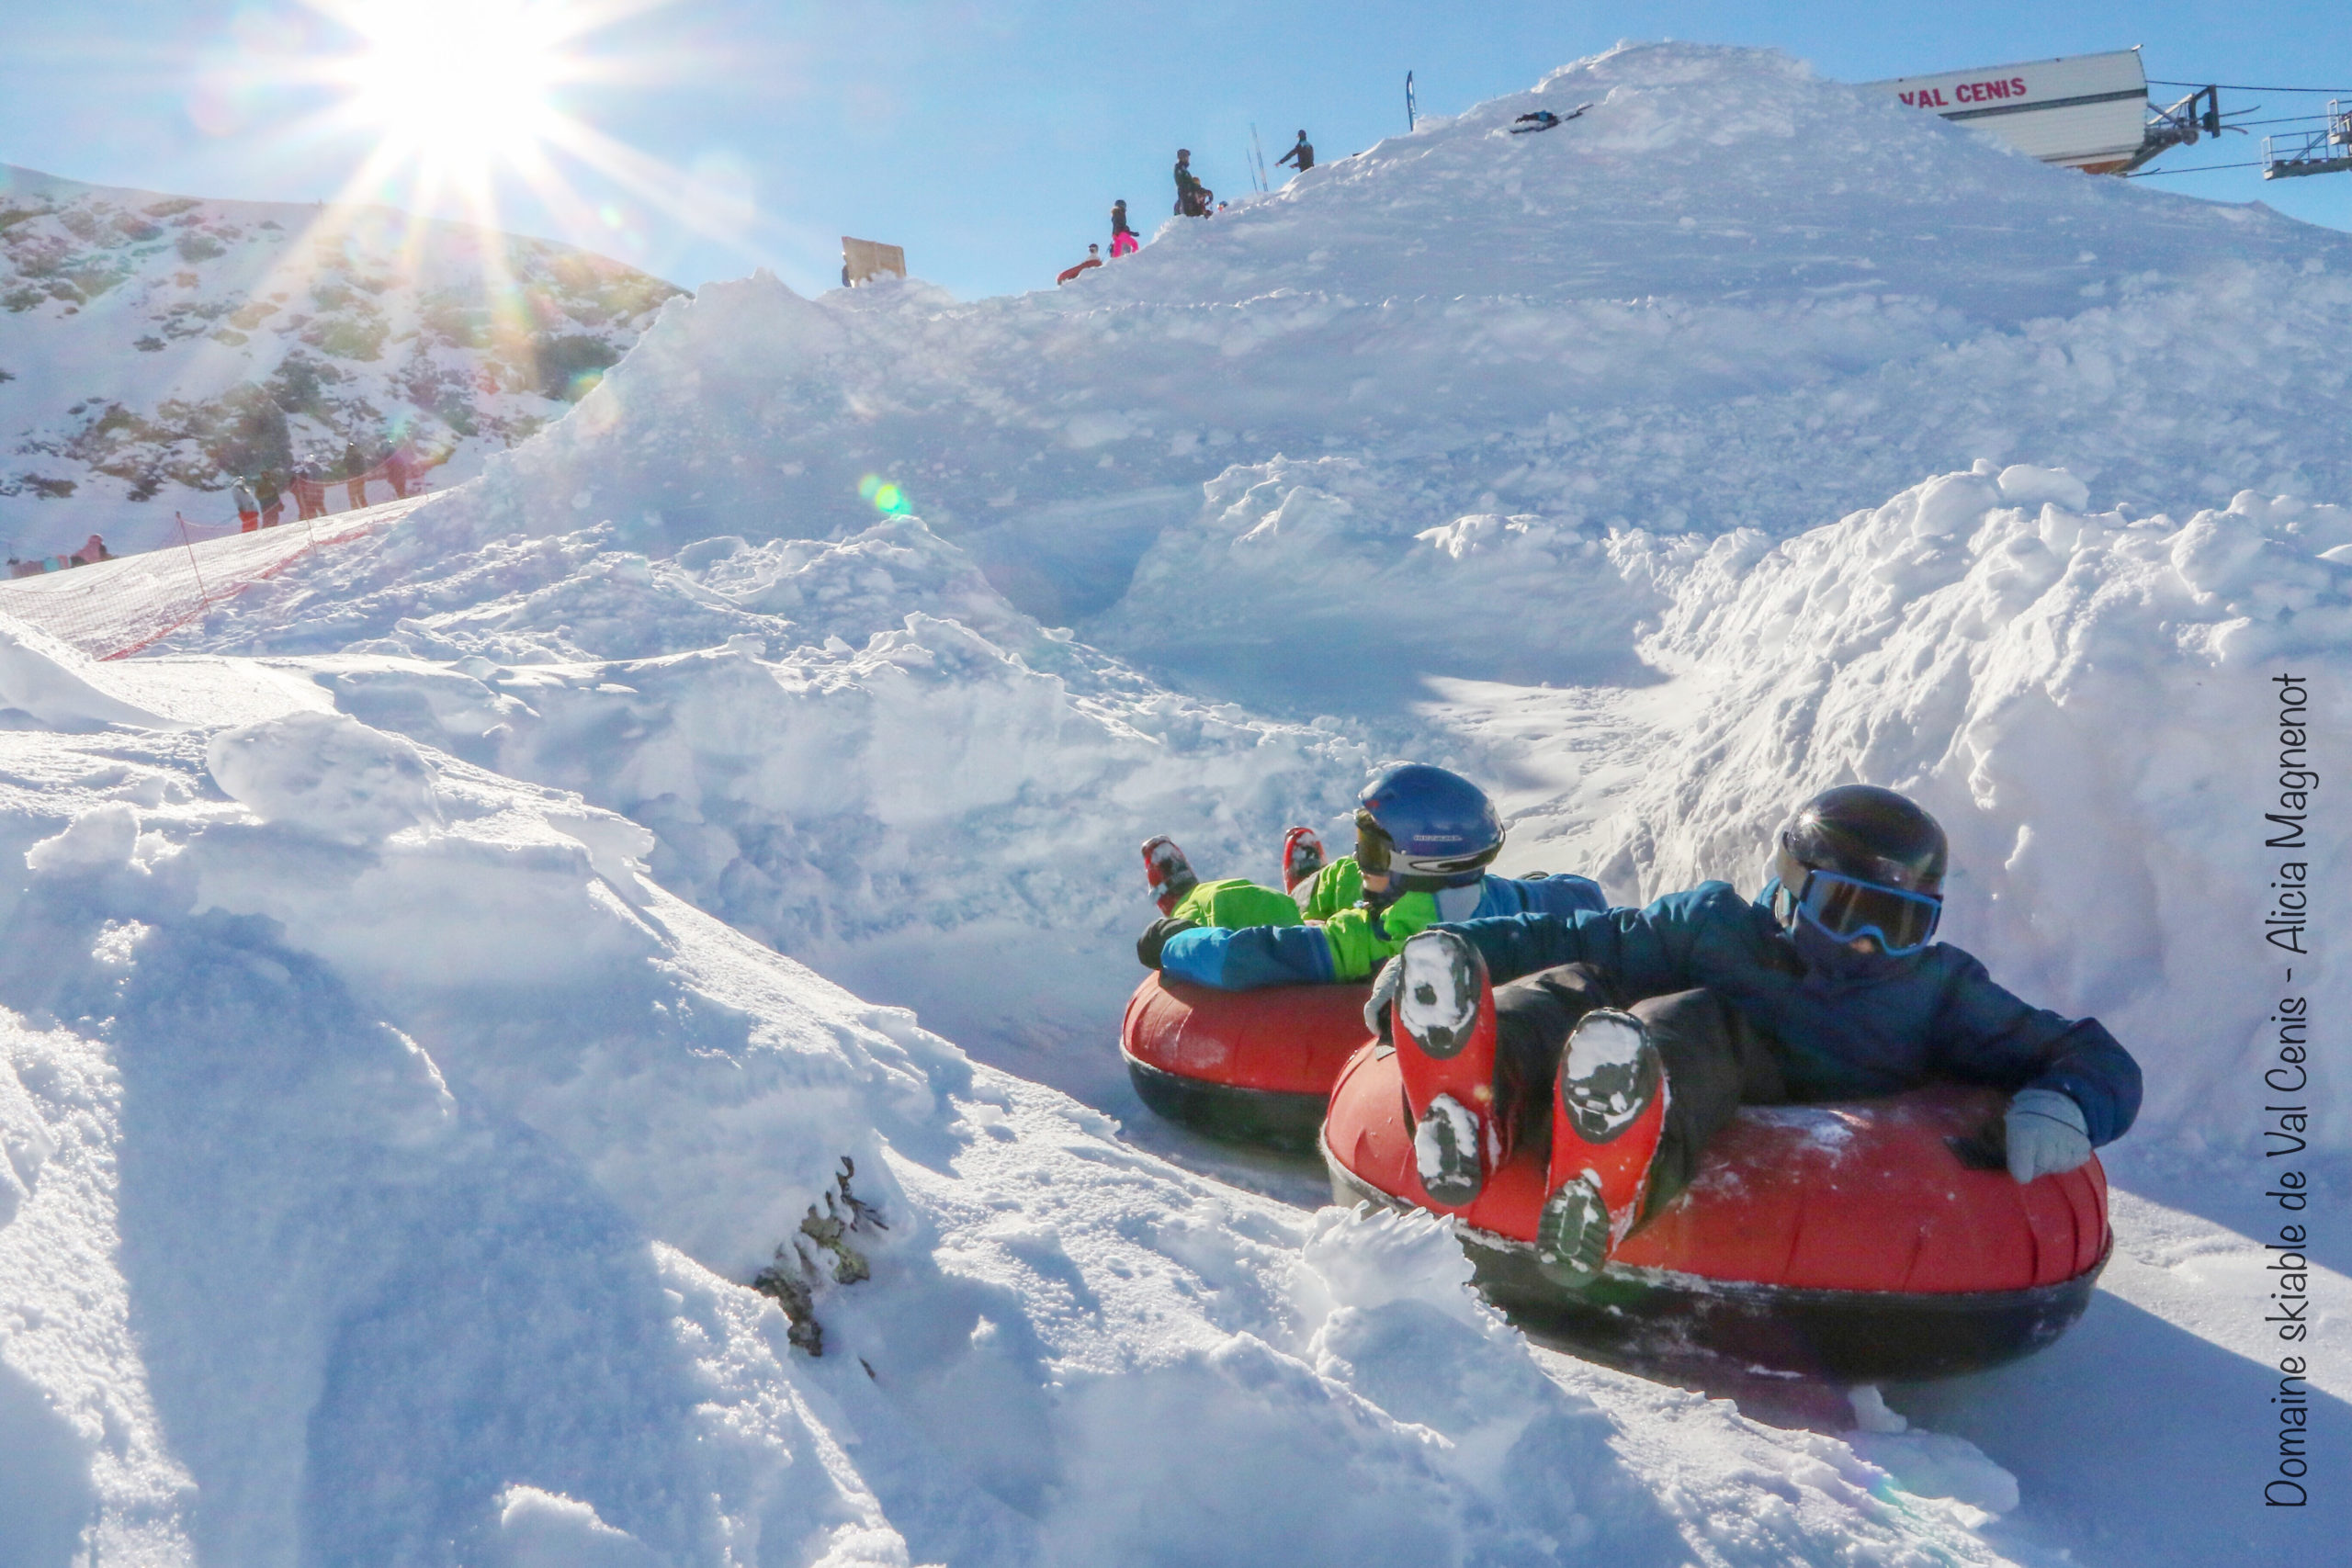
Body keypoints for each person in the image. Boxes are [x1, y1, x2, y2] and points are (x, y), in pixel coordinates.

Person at [1364, 784, 2143, 1286]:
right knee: (1578, 986)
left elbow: (2086, 1051)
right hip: (1663, 1039)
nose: (1872, 942)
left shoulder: (1933, 989)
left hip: (1740, 1074)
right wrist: (1454, 958)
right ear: (1791, 890)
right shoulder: (1715, 925)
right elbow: (1582, 935)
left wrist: (2065, 1102)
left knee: (1685, 1021)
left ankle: (1609, 1183)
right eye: (1849, 910)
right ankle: (1470, 1106)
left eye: (1902, 923)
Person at [1135, 763, 1608, 987]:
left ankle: (1186, 904)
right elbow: (1585, 895)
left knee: (1241, 902)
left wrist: (1174, 943)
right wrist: (1536, 886)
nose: (1363, 858)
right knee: (1347, 878)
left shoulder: (1381, 938)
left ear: (1423, 865)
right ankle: (1308, 889)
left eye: (1373, 850)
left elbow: (1245, 958)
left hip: (1355, 946)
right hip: (1439, 895)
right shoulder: (1499, 898)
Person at [1172, 150, 1212, 218]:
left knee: (1198, 214)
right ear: (1181, 158)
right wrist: (1199, 190)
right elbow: (1187, 184)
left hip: (1189, 197)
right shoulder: (1180, 169)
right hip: (1187, 197)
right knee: (1193, 215)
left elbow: (1190, 184)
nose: (1187, 159)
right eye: (1186, 157)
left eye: (1187, 157)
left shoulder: (1183, 170)